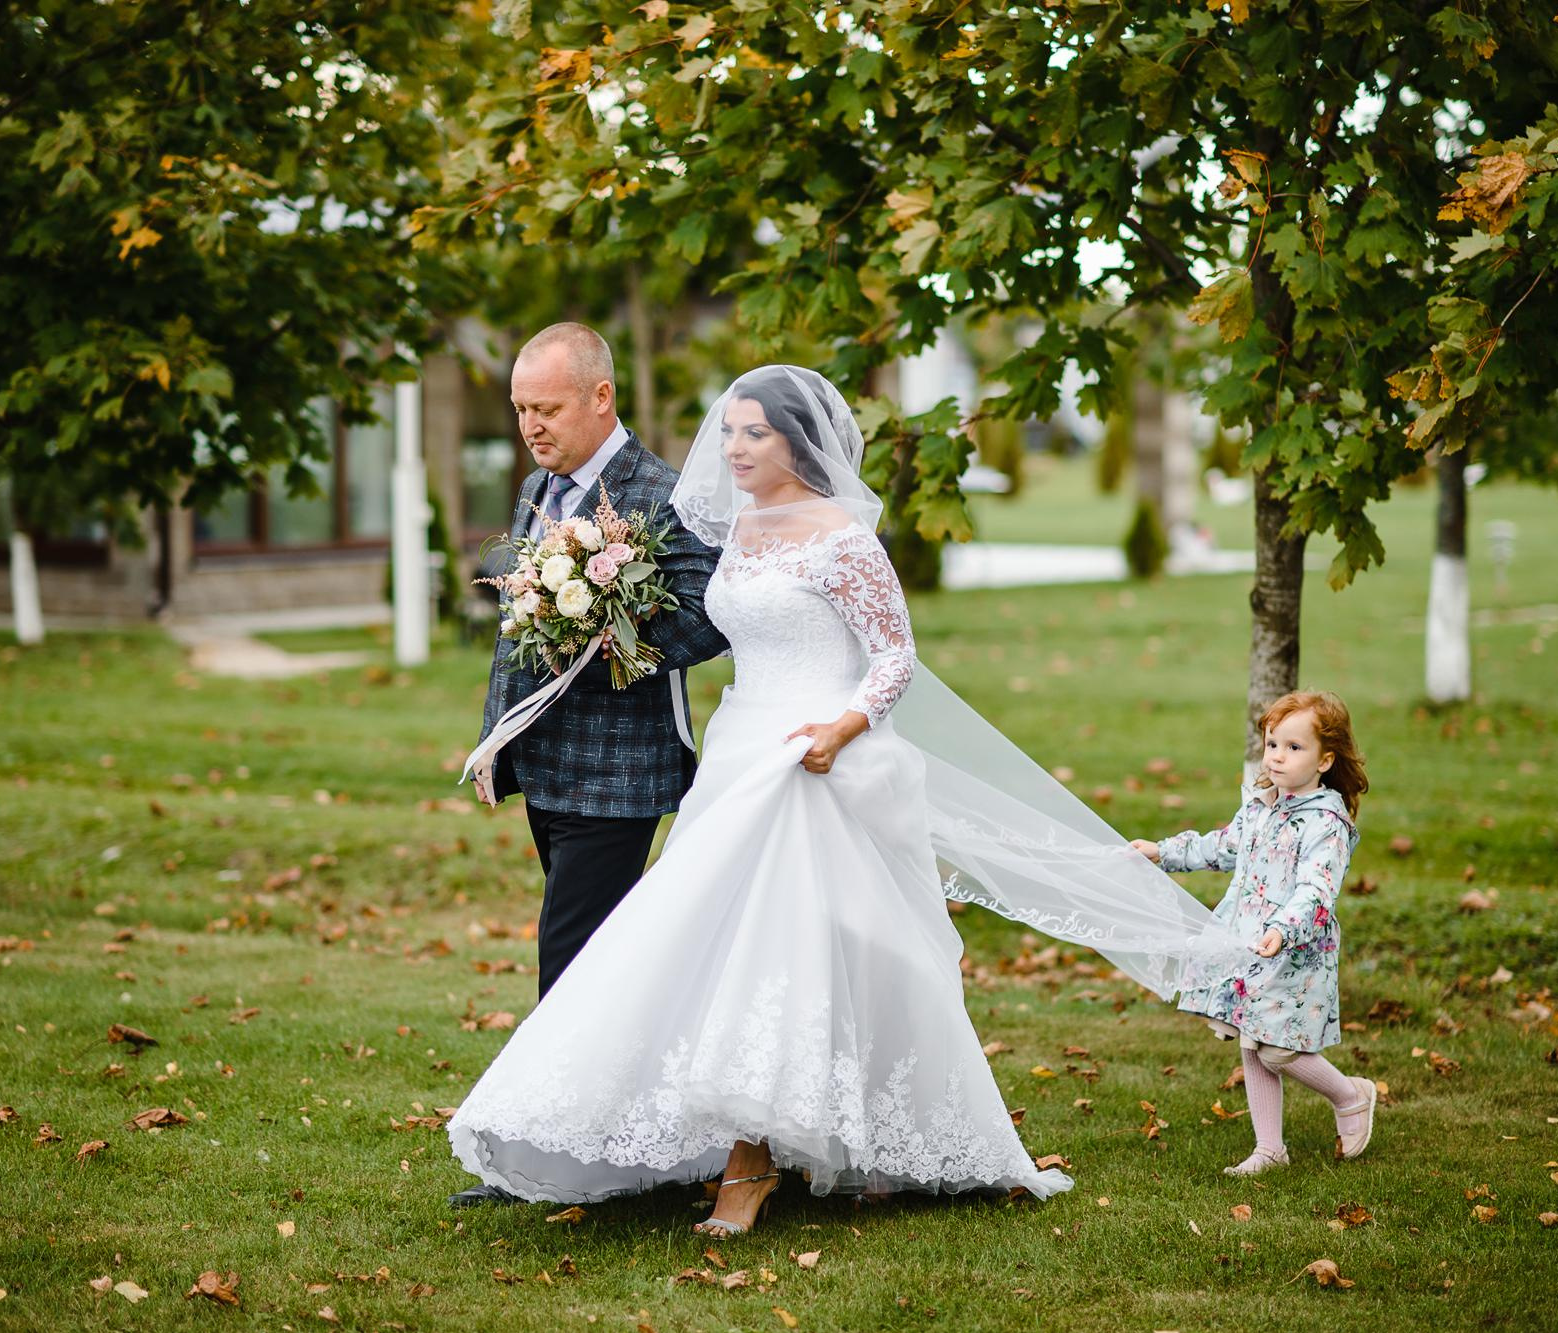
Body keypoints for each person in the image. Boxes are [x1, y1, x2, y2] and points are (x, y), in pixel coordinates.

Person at [446, 366, 1232, 1233]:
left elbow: (895, 656)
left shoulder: (844, 539)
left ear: (799, 443)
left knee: (799, 951)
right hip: (742, 746)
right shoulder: (739, 529)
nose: (734, 449)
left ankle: (754, 1164)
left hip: (815, 760)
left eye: (755, 435)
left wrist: (843, 726)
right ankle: (704, 1132)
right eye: (730, 431)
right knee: (712, 942)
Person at [447, 323, 727, 1210]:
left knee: (567, 961)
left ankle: (548, 1163)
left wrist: (610, 624)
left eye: (548, 407)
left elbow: (709, 618)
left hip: (621, 775)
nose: (531, 424)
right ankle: (606, 1153)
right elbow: (517, 634)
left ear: (601, 397)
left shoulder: (661, 493)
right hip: (551, 767)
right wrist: (499, 741)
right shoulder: (538, 486)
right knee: (594, 967)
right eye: (522, 407)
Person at [1130, 690, 1376, 1176]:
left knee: (1280, 1049)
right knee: (1252, 1040)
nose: (1278, 756)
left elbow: (1316, 890)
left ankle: (1351, 1095)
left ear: (1326, 760)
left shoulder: (1326, 823)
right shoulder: (1262, 805)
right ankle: (1270, 1149)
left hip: (1293, 950)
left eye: (1294, 747)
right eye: (1272, 745)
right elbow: (1222, 847)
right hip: (1247, 944)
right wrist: (1161, 852)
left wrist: (1284, 931)